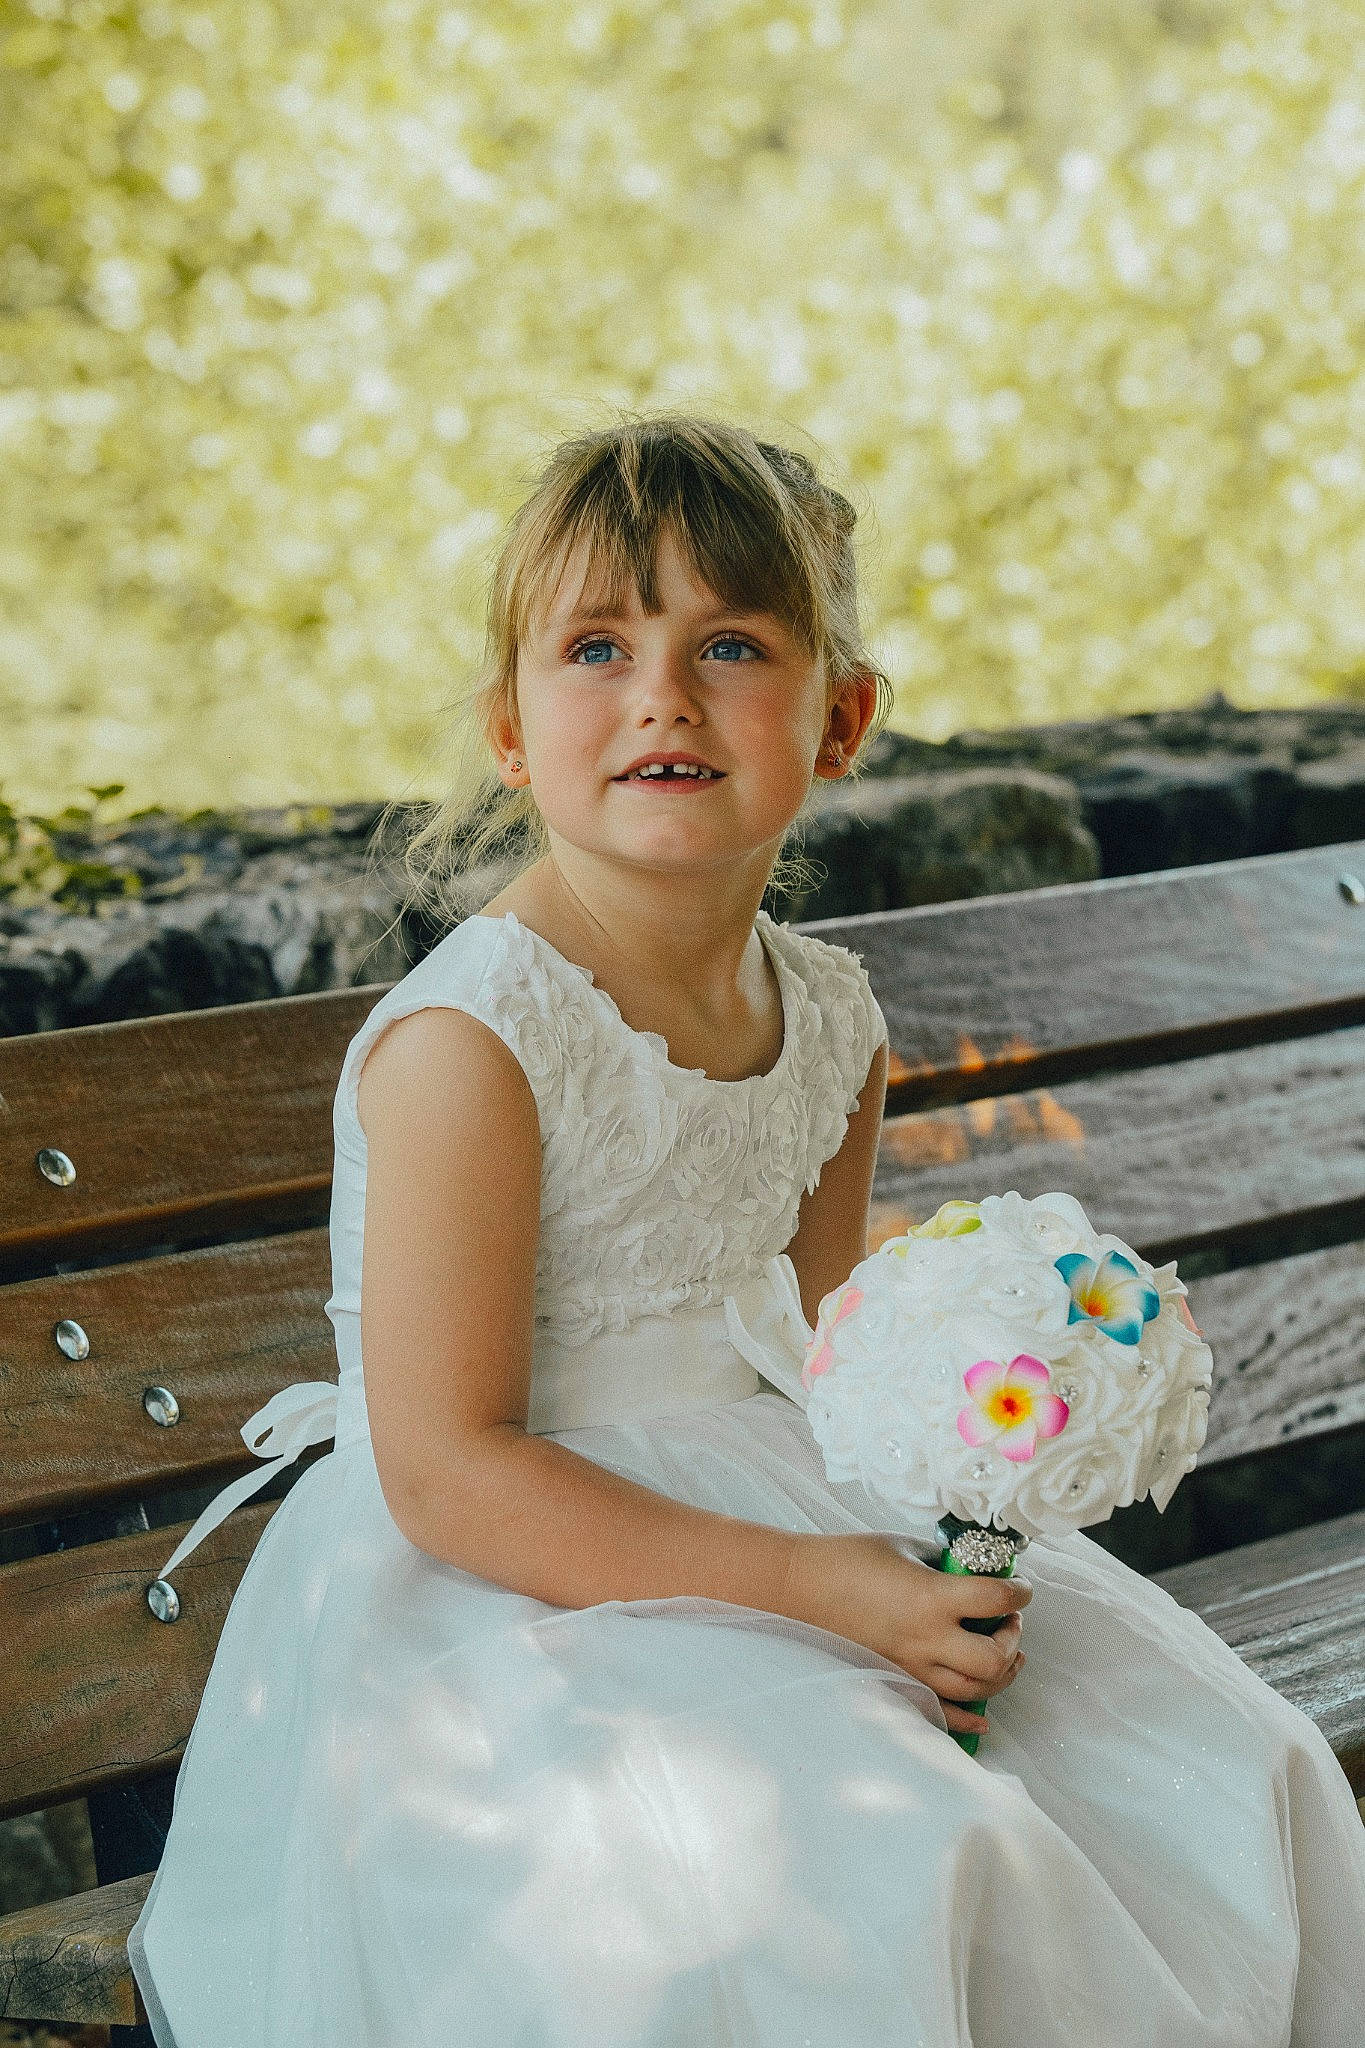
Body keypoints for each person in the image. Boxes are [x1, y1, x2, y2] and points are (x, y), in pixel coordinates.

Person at [128, 413, 1365, 2047]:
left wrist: (979, 1475)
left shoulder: (827, 1018)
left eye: (728, 641)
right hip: (512, 1601)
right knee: (904, 1862)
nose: (660, 693)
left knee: (1218, 1761)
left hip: (781, 1516)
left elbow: (829, 1359)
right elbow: (444, 1472)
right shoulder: (475, 1044)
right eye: (594, 646)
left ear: (837, 719)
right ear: (512, 731)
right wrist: (821, 1592)